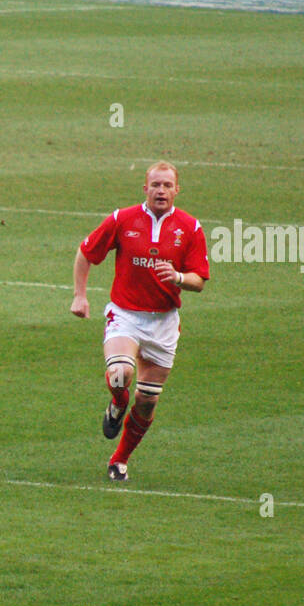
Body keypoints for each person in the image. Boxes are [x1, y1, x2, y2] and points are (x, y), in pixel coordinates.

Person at [70, 161, 209, 483]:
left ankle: (119, 459)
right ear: (145, 188)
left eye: (167, 185)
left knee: (146, 401)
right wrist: (80, 296)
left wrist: (177, 277)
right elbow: (86, 253)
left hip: (164, 322)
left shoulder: (190, 227)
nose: (161, 190)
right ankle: (117, 403)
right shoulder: (122, 219)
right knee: (121, 373)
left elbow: (199, 281)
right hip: (126, 315)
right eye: (155, 185)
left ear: (177, 190)